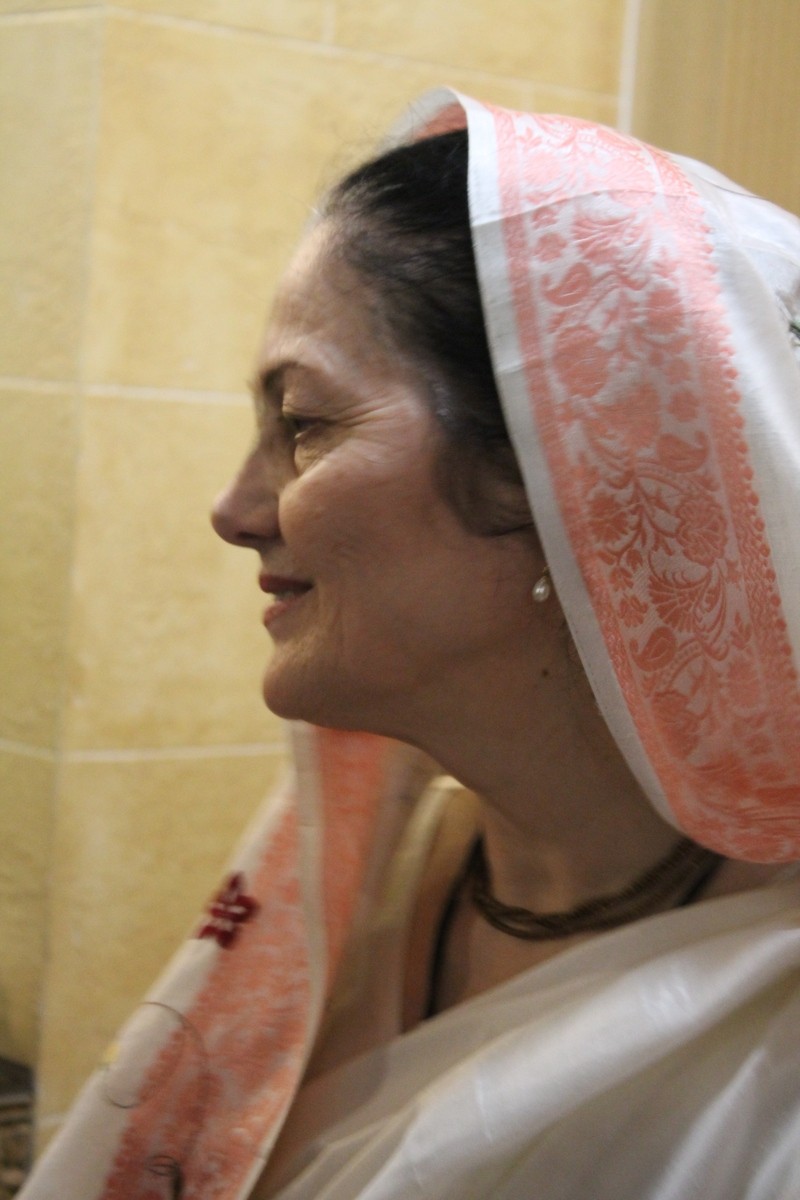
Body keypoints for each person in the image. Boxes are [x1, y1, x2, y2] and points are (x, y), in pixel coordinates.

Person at [19, 89, 800, 1200]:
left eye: (303, 424)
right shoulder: (377, 872)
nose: (235, 511)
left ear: (556, 475)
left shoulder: (769, 1041)